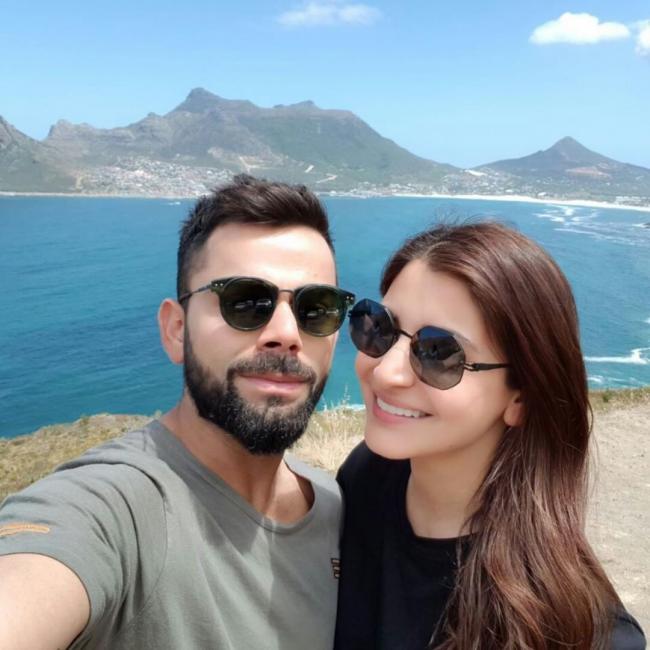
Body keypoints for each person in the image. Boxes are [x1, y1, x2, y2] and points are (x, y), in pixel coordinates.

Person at [0, 175, 355, 650]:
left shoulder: (335, 507)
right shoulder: (115, 510)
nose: (287, 334)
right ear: (175, 330)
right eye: (246, 302)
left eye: (317, 308)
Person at [335, 222, 646, 649]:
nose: (386, 372)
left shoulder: (583, 635)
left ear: (521, 398)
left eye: (439, 353)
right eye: (380, 327)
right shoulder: (369, 477)